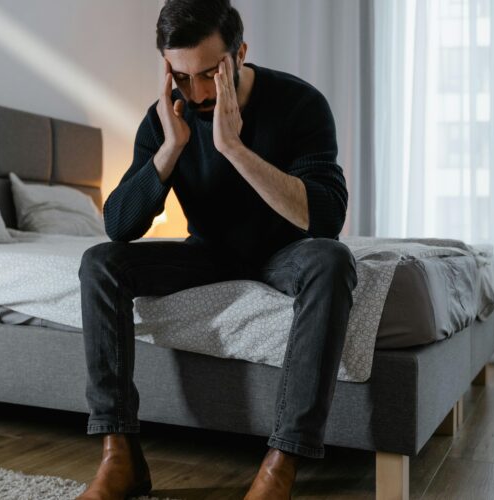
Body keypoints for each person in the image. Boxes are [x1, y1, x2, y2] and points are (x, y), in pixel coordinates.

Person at [75, 1, 357, 498]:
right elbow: (119, 226)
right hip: (208, 252)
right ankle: (119, 455)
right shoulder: (165, 120)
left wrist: (234, 148)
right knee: (100, 262)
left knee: (332, 261)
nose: (199, 92)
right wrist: (170, 149)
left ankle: (283, 461)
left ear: (239, 53)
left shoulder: (299, 103)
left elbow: (326, 219)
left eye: (210, 73)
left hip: (285, 252)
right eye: (182, 77)